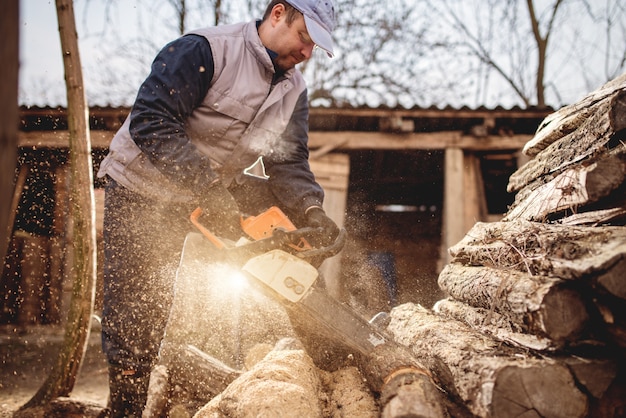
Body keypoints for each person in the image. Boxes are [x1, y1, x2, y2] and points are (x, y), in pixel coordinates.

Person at [96, 0, 340, 416]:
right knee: (137, 304)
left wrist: (312, 211)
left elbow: (288, 161)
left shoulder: (293, 89)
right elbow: (151, 120)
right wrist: (207, 189)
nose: (306, 52)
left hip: (213, 188)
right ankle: (125, 407)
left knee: (293, 232)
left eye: (315, 47)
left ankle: (330, 352)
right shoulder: (205, 50)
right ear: (278, 14)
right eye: (304, 37)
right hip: (144, 186)